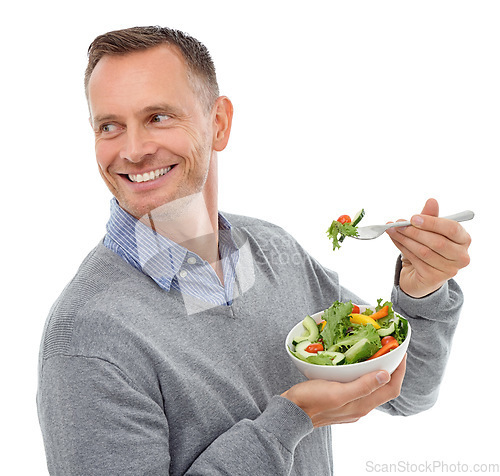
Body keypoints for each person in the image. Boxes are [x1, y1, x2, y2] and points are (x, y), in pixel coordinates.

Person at [37, 26, 471, 475]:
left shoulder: (271, 251)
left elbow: (407, 388)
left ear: (218, 123)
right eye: (110, 126)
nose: (133, 150)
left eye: (158, 117)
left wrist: (422, 290)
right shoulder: (89, 337)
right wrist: (289, 421)